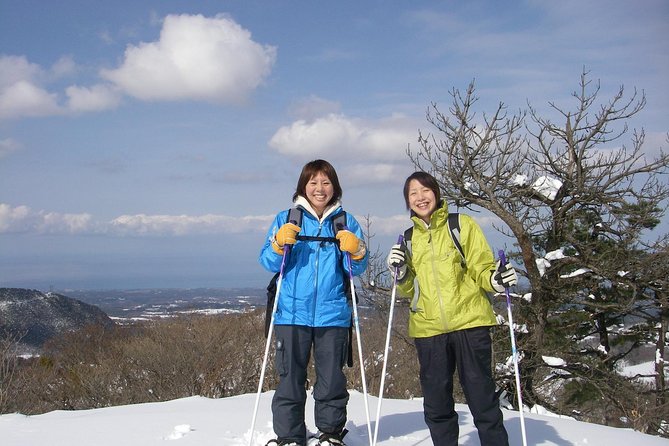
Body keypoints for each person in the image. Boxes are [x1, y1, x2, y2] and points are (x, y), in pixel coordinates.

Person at [386, 171, 517, 446]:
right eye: (413, 193)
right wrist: (399, 273)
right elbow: (410, 289)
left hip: (470, 323)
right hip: (428, 329)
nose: (420, 197)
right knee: (436, 404)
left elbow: (481, 267)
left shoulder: (461, 225)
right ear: (407, 201)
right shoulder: (408, 239)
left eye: (425, 190)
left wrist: (495, 279)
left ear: (436, 192)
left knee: (482, 398)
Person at [259, 159, 368, 446]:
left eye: (326, 182)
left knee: (331, 380)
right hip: (291, 313)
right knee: (290, 379)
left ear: (335, 186)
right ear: (303, 186)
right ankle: (290, 436)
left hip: (332, 314)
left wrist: (357, 251)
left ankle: (330, 433)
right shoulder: (287, 218)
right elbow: (267, 261)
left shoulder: (345, 221)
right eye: (313, 182)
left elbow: (357, 268)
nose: (320, 189)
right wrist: (277, 243)